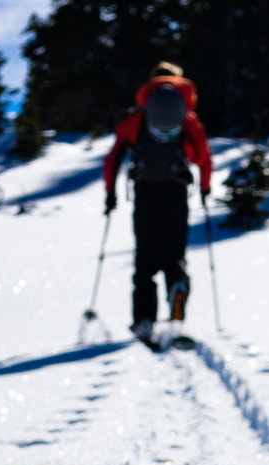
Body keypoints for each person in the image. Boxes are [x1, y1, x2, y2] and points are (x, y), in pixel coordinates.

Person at [102, 63, 213, 342]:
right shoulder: (187, 119)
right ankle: (176, 289)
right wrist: (205, 187)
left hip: (145, 192)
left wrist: (110, 193)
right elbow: (204, 158)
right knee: (174, 253)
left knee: (145, 258)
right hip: (176, 192)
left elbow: (113, 157)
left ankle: (143, 320)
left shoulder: (137, 119)